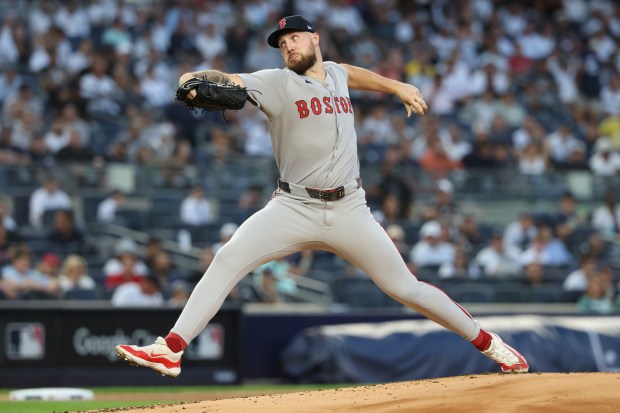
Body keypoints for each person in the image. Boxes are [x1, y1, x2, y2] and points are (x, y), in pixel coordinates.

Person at [116, 15, 528, 377]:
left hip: (350, 209)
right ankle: (169, 350)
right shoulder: (276, 82)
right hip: (294, 206)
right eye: (280, 44)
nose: (286, 46)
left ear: (314, 39)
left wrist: (396, 85)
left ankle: (491, 344)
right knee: (228, 258)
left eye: (293, 38)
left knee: (406, 288)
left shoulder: (334, 73)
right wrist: (191, 79)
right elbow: (230, 81)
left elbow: (351, 72)